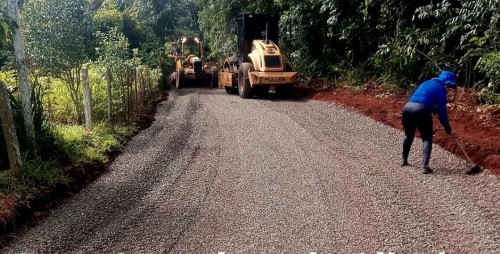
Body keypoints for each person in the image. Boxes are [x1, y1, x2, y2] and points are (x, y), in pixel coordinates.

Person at [401, 70, 457, 174]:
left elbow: (417, 98)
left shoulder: (426, 83)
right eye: (449, 85)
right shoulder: (441, 89)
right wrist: (446, 125)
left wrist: (431, 108)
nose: (448, 88)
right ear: (445, 82)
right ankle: (425, 166)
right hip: (421, 110)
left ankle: (404, 160)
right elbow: (442, 110)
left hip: (407, 108)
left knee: (409, 135)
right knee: (427, 137)